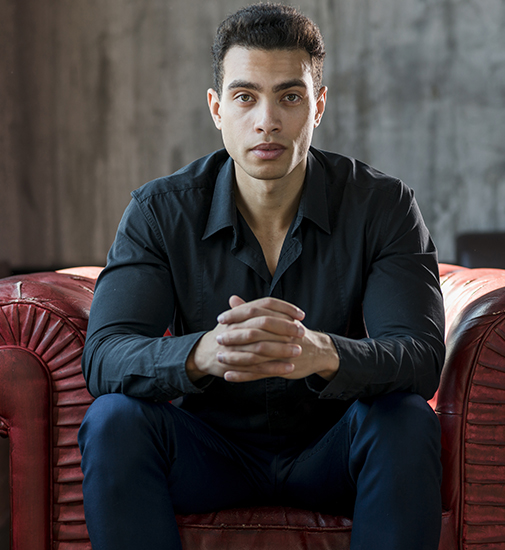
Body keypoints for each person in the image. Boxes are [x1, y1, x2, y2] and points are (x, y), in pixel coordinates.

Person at [78, 3, 445, 549]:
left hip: (332, 451)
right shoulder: (160, 211)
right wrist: (201, 354)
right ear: (216, 108)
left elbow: (420, 355)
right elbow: (103, 354)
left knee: (405, 418)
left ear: (318, 106)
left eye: (290, 97)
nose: (267, 120)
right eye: (245, 96)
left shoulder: (382, 205)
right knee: (113, 421)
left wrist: (323, 353)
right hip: (209, 453)